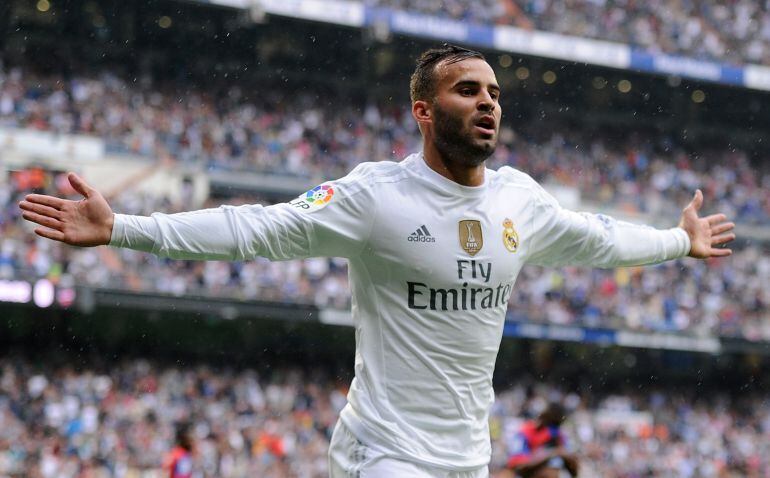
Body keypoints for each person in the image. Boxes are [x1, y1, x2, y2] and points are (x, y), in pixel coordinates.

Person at [18, 44, 735, 477]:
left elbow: (601, 239)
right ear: (424, 111)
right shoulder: (375, 197)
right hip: (383, 453)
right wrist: (126, 229)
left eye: (494, 93)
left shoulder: (521, 202)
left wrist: (680, 242)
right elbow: (257, 228)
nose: (488, 103)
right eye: (467, 90)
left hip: (464, 457)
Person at [505, 402, 578, 478]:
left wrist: (565, 456)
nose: (552, 429)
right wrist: (550, 454)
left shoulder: (558, 436)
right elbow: (518, 466)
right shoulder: (525, 433)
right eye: (550, 422)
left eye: (556, 424)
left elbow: (574, 471)